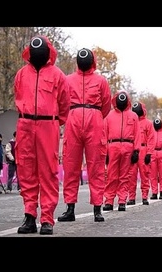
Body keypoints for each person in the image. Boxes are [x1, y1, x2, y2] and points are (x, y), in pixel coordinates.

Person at [14, 35, 70, 235]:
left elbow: (65, 104)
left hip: (48, 125)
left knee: (48, 171)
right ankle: (29, 216)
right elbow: (17, 96)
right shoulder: (21, 74)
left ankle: (47, 219)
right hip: (25, 124)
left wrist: (54, 121)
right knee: (26, 170)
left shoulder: (58, 75)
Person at [57, 47, 111, 223]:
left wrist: (94, 116)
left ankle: (97, 208)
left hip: (94, 119)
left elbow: (106, 104)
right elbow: (62, 101)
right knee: (71, 164)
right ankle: (70, 208)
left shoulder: (101, 81)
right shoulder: (67, 79)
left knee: (96, 165)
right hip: (74, 117)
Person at [103, 90, 141, 212]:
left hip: (128, 146)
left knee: (125, 176)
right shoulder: (109, 116)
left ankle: (122, 200)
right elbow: (104, 134)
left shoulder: (133, 116)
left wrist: (136, 151)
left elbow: (137, 134)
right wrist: (105, 152)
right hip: (113, 145)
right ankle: (109, 200)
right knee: (111, 175)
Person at [127, 101, 155, 206]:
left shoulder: (148, 123)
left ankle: (144, 197)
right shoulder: (130, 121)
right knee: (131, 176)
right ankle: (131, 197)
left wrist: (149, 153)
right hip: (133, 149)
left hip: (143, 149)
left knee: (145, 175)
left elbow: (151, 139)